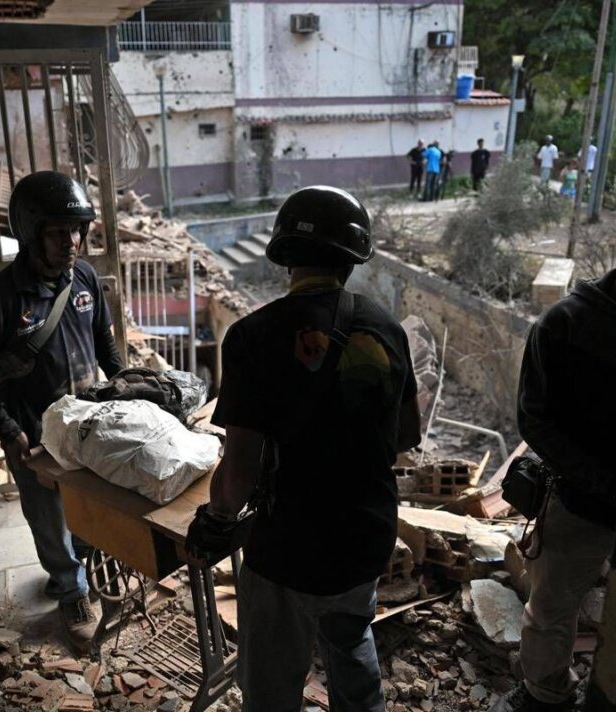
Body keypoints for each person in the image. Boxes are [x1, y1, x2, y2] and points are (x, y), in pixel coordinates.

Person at [186, 186, 422, 711]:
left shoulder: (251, 337)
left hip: (288, 548)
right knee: (351, 636)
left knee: (271, 682)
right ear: (352, 261)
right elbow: (406, 436)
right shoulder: (386, 327)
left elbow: (240, 467)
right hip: (366, 535)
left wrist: (216, 520)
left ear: (286, 257)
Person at [490, 177, 616, 712]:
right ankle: (545, 694)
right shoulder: (568, 324)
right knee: (552, 608)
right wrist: (606, 485)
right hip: (584, 504)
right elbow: (534, 419)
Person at [0, 171, 125, 655]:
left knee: (88, 507)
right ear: (31, 234)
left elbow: (105, 345)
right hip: (34, 431)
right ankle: (71, 595)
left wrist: (128, 390)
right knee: (48, 516)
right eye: (57, 233)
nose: (71, 243)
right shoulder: (0, 299)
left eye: (76, 231)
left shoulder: (84, 278)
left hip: (88, 425)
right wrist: (9, 431)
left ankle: (78, 571)